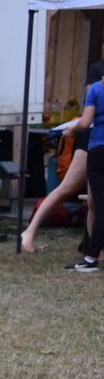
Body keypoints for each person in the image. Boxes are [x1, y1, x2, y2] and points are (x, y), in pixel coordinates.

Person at [21, 60, 104, 255]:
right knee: (68, 188)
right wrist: (75, 128)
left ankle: (96, 253)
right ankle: (29, 231)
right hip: (91, 138)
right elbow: (90, 103)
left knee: (94, 201)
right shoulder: (98, 71)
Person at [68, 65, 104, 272]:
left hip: (98, 150)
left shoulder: (96, 90)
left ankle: (91, 259)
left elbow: (85, 122)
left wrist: (71, 129)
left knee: (100, 206)